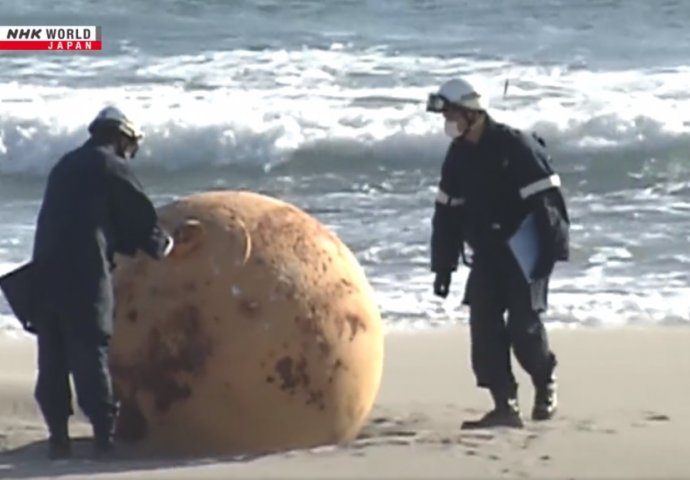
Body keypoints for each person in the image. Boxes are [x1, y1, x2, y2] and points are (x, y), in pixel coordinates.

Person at [28, 106, 175, 458]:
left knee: (53, 355)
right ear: (121, 137)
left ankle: (58, 439)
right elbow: (139, 218)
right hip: (84, 274)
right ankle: (103, 439)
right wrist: (162, 246)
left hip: (44, 273)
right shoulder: (111, 166)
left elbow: (92, 218)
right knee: (90, 350)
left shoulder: (65, 165)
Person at [426, 78, 570, 429]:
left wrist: (548, 255)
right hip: (488, 254)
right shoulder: (458, 155)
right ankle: (504, 405)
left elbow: (549, 205)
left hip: (526, 250)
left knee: (524, 327)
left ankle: (544, 381)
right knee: (484, 329)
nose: (449, 122)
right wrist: (442, 268)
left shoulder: (516, 146)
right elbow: (447, 213)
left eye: (454, 114)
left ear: (474, 113)